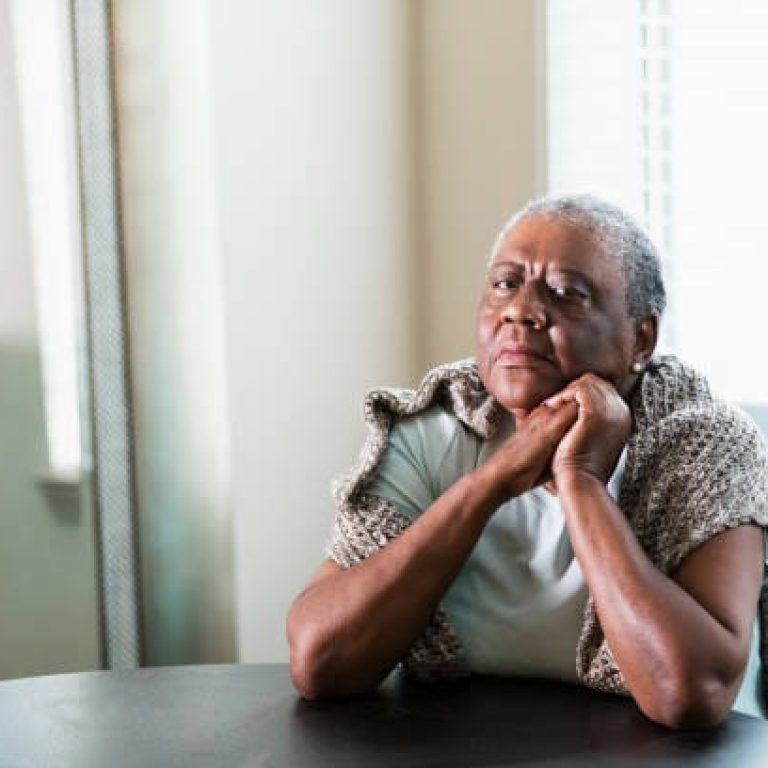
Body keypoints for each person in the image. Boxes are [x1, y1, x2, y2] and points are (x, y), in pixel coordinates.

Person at [286, 194, 768, 729]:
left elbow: (690, 693)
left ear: (641, 337)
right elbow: (320, 662)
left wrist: (580, 481)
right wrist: (493, 481)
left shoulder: (707, 447)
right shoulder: (427, 426)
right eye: (504, 284)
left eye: (566, 292)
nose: (520, 310)